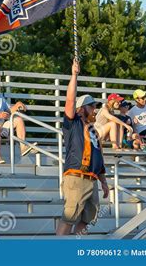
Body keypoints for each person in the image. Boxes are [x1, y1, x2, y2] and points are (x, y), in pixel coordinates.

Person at [56, 60, 109, 236]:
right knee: (69, 217)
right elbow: (70, 100)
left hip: (92, 179)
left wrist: (104, 182)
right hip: (76, 177)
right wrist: (74, 75)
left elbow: (98, 157)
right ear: (81, 109)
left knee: (87, 220)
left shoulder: (92, 129)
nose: (95, 109)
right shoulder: (73, 123)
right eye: (91, 106)